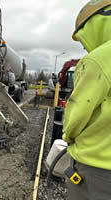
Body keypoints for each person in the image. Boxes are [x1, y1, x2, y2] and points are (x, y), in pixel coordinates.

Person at [62, 0, 111, 199]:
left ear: (93, 26)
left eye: (83, 40)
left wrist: (68, 138)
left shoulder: (98, 59)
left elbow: (76, 117)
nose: (84, 47)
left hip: (97, 167)